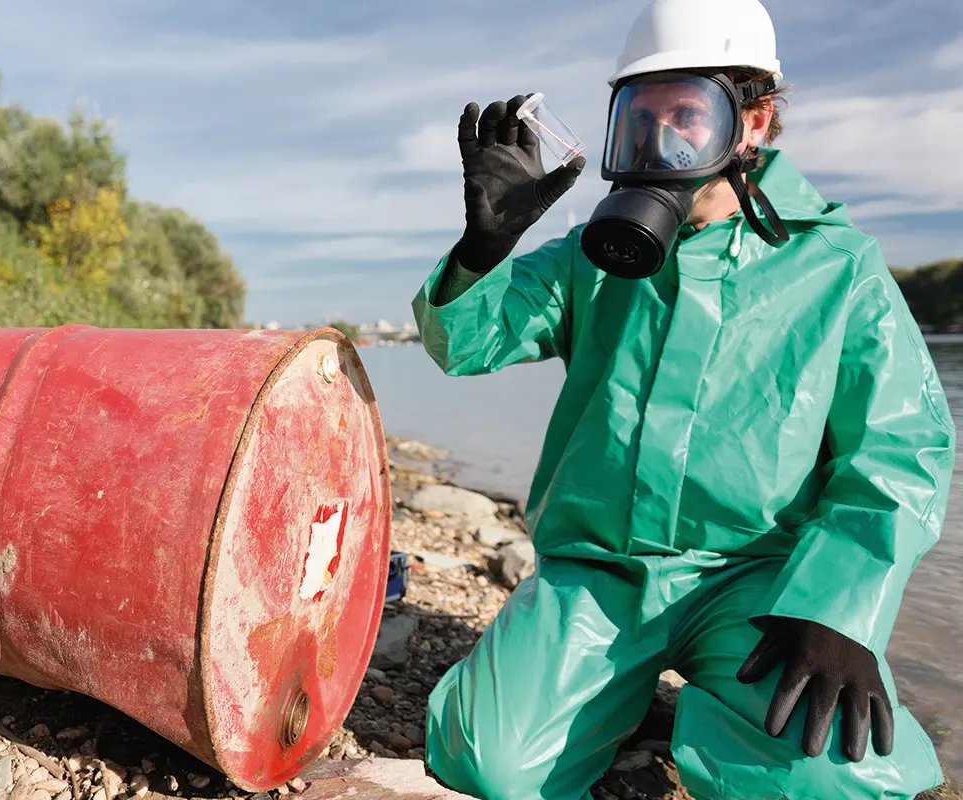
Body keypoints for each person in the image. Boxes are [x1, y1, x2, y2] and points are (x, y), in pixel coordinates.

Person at [410, 0, 956, 798]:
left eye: (687, 117)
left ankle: (694, 710)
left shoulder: (841, 268)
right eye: (640, 118)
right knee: (487, 764)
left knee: (847, 781)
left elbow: (899, 453)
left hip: (758, 585)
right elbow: (465, 345)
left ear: (753, 124)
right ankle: (616, 696)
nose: (660, 143)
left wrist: (839, 609)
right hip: (599, 572)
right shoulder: (590, 262)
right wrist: (483, 248)